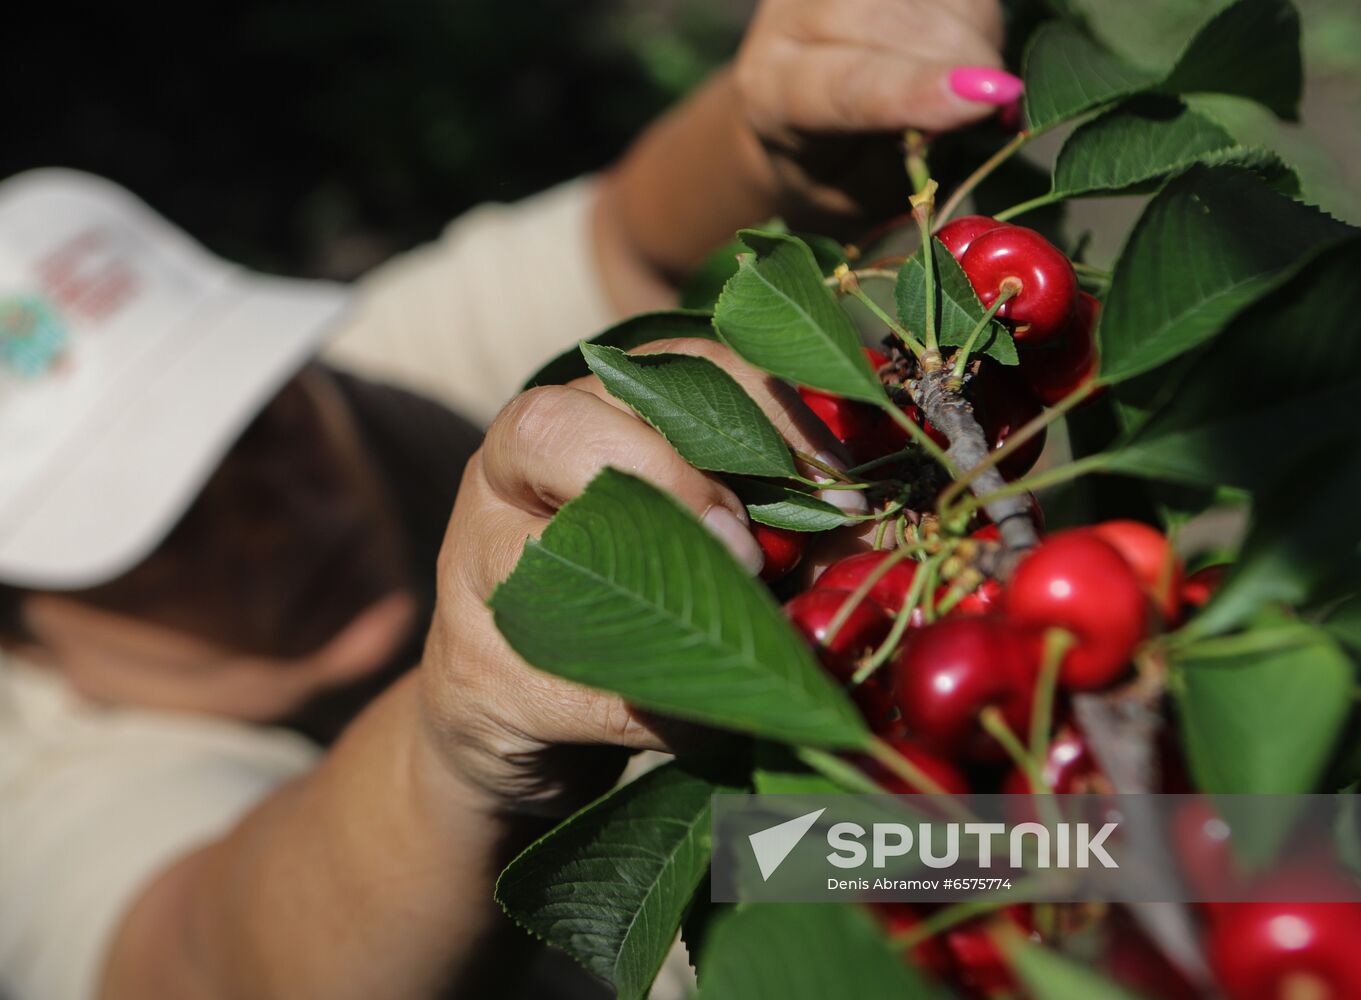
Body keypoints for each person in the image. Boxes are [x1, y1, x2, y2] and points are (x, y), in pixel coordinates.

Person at [0, 2, 1016, 997]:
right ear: (26, 634)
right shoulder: (47, 806)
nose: (274, 513)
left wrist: (781, 112)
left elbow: (630, 226)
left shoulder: (373, 391)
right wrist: (462, 739)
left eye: (251, 419)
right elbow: (204, 960)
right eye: (164, 523)